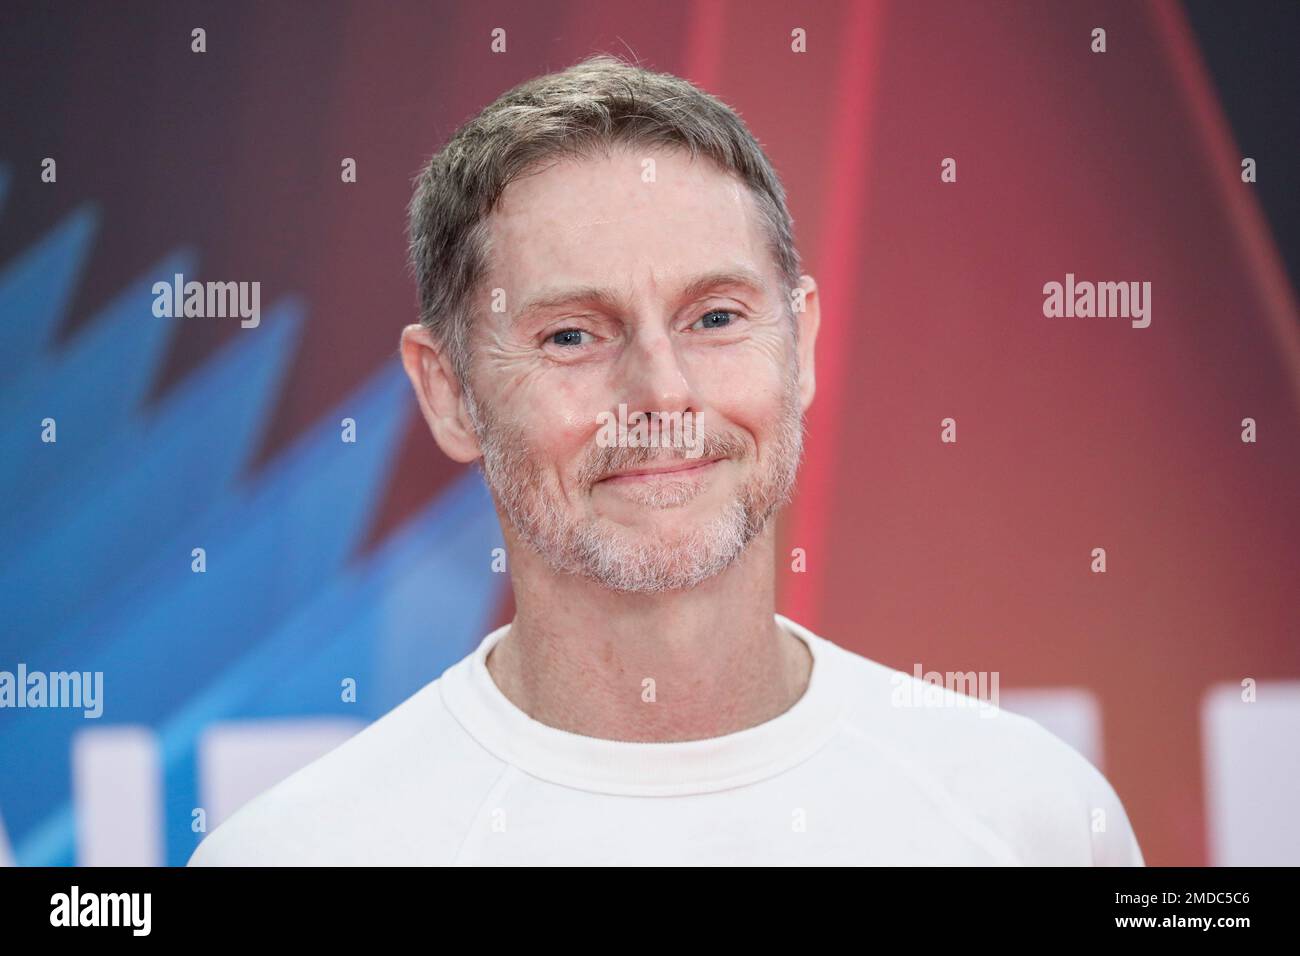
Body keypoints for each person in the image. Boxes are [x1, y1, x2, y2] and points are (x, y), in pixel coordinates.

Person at [188, 54, 1143, 866]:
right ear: (449, 392)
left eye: (716, 318)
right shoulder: (301, 851)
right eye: (570, 335)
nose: (662, 394)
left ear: (800, 346)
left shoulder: (1032, 818)